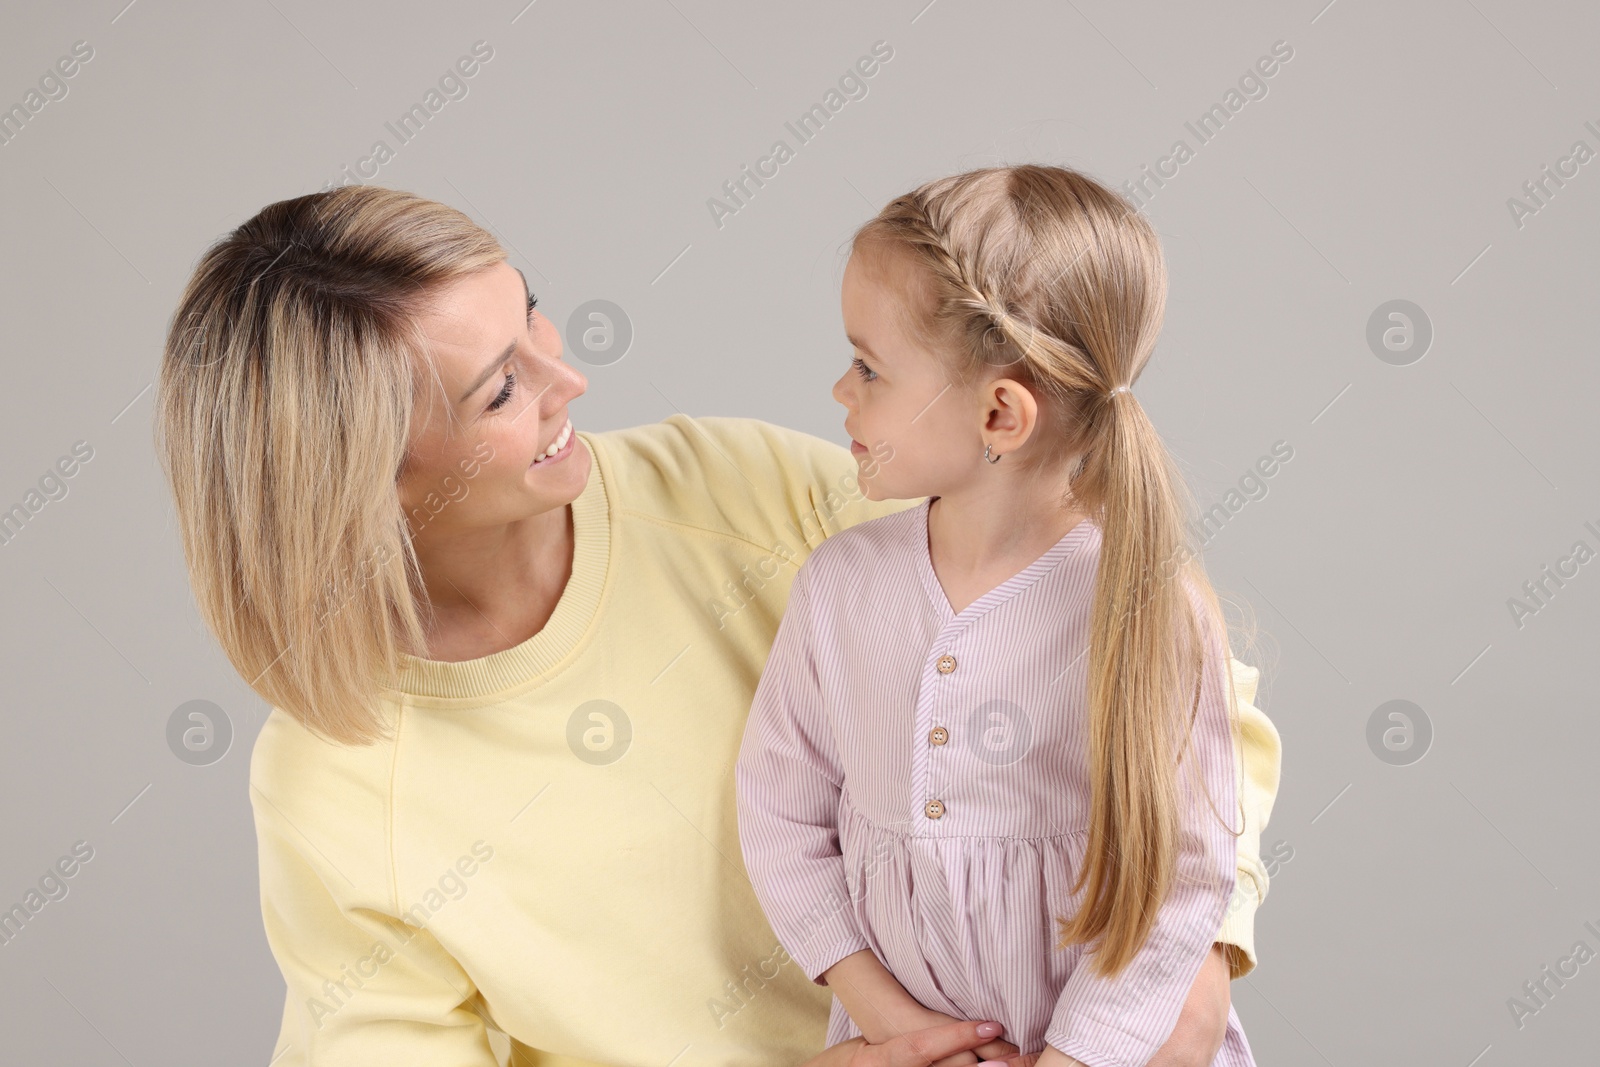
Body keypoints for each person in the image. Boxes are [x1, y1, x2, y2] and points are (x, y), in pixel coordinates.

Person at [151, 183, 1281, 1067]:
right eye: (500, 389)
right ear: (361, 483)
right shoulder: (335, 779)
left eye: (532, 310)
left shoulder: (733, 489)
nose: (571, 377)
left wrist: (1195, 960)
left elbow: (1168, 689)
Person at [737, 165, 1266, 1065]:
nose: (840, 391)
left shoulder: (1146, 608)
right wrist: (895, 1020)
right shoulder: (839, 587)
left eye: (869, 367)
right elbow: (780, 815)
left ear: (1000, 412)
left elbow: (1182, 879)